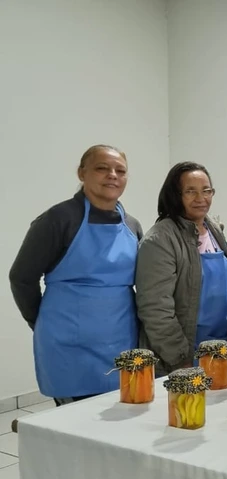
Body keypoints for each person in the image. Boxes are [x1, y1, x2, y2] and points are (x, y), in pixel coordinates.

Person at [10, 144, 142, 407]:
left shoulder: (132, 226)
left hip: (120, 340)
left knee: (120, 419)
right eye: (102, 168)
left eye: (120, 170)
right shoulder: (57, 220)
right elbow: (22, 277)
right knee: (76, 427)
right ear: (82, 173)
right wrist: (41, 321)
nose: (112, 175)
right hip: (68, 343)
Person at [136, 162, 227, 374]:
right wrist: (180, 359)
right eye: (190, 191)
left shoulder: (212, 228)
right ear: (175, 195)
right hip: (185, 354)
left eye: (206, 190)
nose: (201, 198)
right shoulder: (160, 240)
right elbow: (156, 309)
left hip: (222, 347)